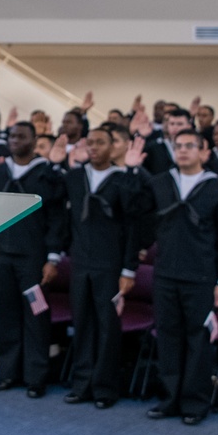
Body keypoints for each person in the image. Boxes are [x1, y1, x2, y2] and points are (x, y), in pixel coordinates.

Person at [127, 128, 218, 426]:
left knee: (198, 341)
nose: (184, 150)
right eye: (179, 146)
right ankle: (170, 399)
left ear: (204, 153)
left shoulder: (215, 187)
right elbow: (135, 210)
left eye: (191, 146)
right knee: (168, 338)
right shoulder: (161, 182)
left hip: (201, 277)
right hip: (165, 275)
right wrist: (132, 171)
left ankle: (195, 402)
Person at [0, 122, 68, 398]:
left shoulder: (46, 173)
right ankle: (8, 373)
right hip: (2, 256)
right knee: (6, 316)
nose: (15, 140)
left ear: (34, 140)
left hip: (34, 260)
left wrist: (52, 258)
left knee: (36, 316)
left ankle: (35, 377)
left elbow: (56, 218)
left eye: (22, 136)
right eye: (12, 136)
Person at [62, 128, 140, 410]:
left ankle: (105, 387)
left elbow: (134, 225)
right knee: (82, 323)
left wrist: (129, 269)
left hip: (110, 264)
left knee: (107, 327)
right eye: (90, 142)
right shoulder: (74, 177)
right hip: (81, 261)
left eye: (101, 143)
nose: (94, 147)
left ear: (113, 147)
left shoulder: (122, 180)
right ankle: (82, 384)